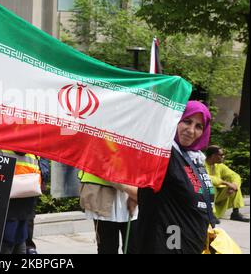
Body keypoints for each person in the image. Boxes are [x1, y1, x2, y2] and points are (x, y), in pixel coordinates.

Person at [115, 101, 216, 254]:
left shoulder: (195, 158)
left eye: (198, 126)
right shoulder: (166, 154)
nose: (191, 130)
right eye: (187, 121)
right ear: (175, 120)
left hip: (192, 243)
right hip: (169, 243)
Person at [78, 171, 138, 254]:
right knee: (107, 248)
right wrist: (134, 193)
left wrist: (135, 196)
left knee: (135, 248)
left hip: (133, 198)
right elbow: (104, 165)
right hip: (103, 198)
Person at [205, 145, 249, 222]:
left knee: (235, 186)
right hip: (204, 195)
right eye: (221, 155)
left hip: (217, 195)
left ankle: (235, 213)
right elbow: (205, 177)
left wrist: (234, 185)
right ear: (213, 156)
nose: (223, 156)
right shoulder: (201, 164)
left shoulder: (219, 165)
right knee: (209, 186)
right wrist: (225, 183)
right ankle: (210, 215)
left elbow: (234, 175)